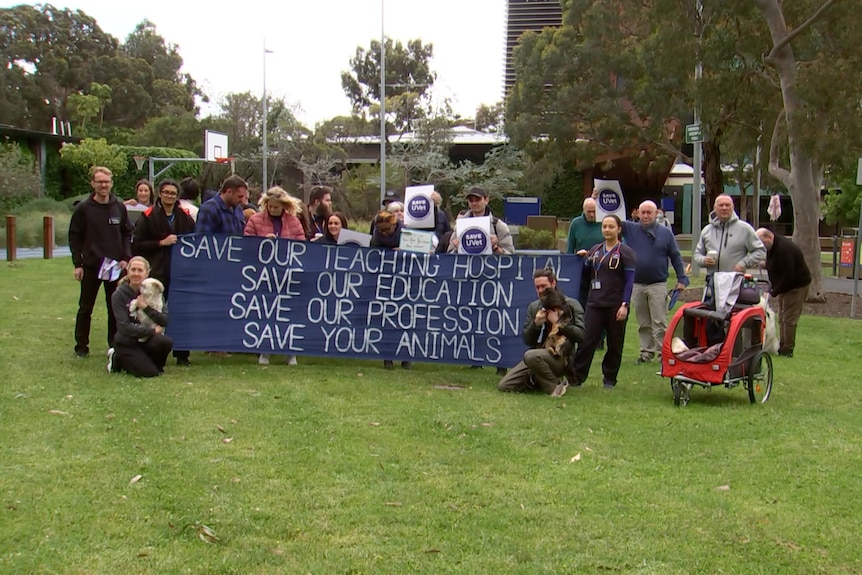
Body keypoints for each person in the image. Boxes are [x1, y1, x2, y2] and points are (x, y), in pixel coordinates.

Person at [68, 166, 133, 358]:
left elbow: (127, 232)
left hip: (114, 266)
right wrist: (77, 264)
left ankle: (114, 344)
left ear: (111, 183)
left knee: (114, 307)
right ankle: (81, 346)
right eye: (100, 182)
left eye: (107, 182)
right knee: (85, 307)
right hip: (91, 265)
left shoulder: (119, 206)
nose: (104, 185)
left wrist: (125, 257)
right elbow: (75, 236)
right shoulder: (83, 208)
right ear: (93, 183)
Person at [131, 179, 196, 366]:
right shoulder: (149, 216)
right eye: (166, 192)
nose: (169, 196)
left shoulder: (184, 216)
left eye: (173, 194)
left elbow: (194, 241)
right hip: (156, 273)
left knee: (181, 312)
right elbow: (137, 244)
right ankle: (149, 350)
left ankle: (182, 354)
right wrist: (161, 243)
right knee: (152, 311)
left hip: (179, 272)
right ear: (160, 194)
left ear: (178, 197)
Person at [498, 268, 586, 396]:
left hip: (561, 357)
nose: (540, 291)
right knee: (504, 385)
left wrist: (559, 323)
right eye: (537, 287)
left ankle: (555, 387)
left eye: (544, 286)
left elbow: (581, 336)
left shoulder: (571, 304)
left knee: (530, 356)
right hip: (538, 355)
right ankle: (538, 380)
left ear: (553, 283)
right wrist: (536, 325)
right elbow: (527, 340)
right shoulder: (534, 307)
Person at [244, 187, 306, 367]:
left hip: (287, 274)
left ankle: (290, 353)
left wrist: (287, 244)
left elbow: (302, 245)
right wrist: (262, 243)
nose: (272, 210)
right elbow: (246, 244)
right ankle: (265, 351)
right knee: (266, 312)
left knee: (289, 313)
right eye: (269, 206)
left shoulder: (293, 222)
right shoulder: (255, 220)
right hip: (263, 274)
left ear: (284, 206)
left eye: (276, 207)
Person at [572, 215, 636, 388]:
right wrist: (582, 259)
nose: (607, 230)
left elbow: (630, 281)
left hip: (615, 304)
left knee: (615, 344)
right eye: (605, 227)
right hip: (594, 303)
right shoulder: (595, 250)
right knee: (586, 341)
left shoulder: (625, 252)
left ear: (619, 229)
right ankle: (577, 376)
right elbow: (585, 272)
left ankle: (609, 378)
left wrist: (625, 305)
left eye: (611, 227)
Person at [621, 200, 688, 364]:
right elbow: (608, 218)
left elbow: (675, 255)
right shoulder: (630, 229)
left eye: (649, 212)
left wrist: (682, 278)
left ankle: (662, 353)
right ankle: (646, 353)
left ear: (656, 213)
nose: (645, 216)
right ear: (637, 213)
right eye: (642, 212)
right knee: (643, 322)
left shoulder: (665, 233)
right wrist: (597, 198)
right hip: (637, 284)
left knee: (659, 321)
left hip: (657, 284)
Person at [107, 256, 172, 378]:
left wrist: (145, 308)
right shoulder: (119, 295)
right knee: (149, 373)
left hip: (146, 339)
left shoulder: (155, 290)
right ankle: (117, 357)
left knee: (165, 342)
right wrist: (152, 331)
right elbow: (124, 327)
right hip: (127, 341)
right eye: (133, 270)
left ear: (147, 273)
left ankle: (154, 365)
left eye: (140, 270)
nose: (136, 274)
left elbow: (165, 320)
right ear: (128, 270)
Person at [755, 227, 811, 357]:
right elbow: (775, 264)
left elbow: (788, 274)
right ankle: (782, 345)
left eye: (761, 242)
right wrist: (765, 265)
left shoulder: (783, 248)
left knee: (789, 319)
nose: (761, 246)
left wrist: (773, 291)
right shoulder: (772, 247)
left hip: (796, 286)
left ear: (769, 237)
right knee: (782, 317)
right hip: (784, 286)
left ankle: (787, 350)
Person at [693, 195, 766, 273]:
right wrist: (703, 260)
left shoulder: (745, 229)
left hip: (735, 280)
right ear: (715, 208)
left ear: (732, 207)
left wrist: (743, 263)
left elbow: (760, 251)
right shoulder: (707, 230)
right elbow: (697, 254)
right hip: (713, 281)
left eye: (727, 205)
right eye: (721, 205)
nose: (724, 208)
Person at [447, 187, 514, 255]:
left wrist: (495, 248)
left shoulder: (498, 225)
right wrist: (457, 249)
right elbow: (449, 254)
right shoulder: (460, 226)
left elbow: (510, 255)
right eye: (471, 200)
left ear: (486, 200)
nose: (474, 203)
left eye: (478, 199)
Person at [566, 197, 603, 306]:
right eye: (589, 211)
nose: (592, 215)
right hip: (582, 267)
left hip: (601, 266)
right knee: (582, 298)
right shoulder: (576, 224)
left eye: (594, 211)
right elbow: (570, 248)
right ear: (583, 210)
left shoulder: (604, 222)